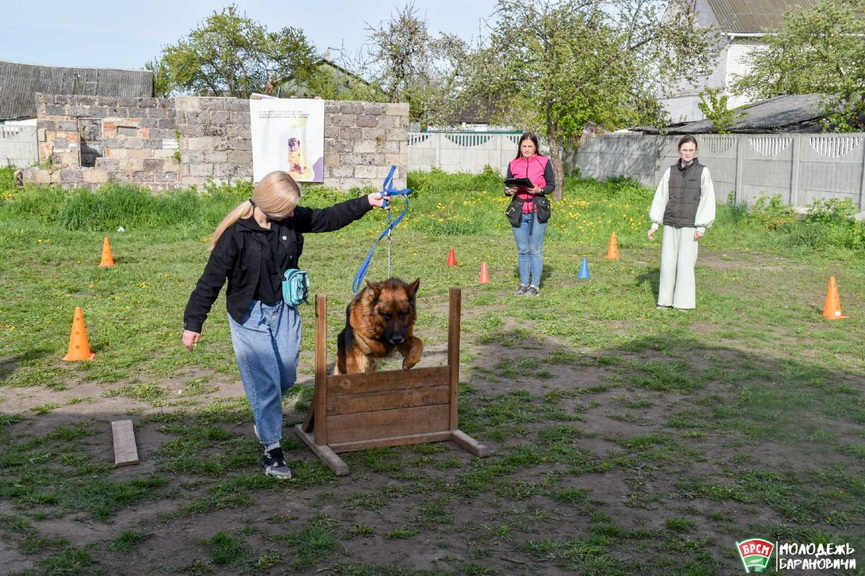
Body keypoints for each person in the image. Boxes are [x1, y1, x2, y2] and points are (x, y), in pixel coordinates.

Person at [182, 171, 385, 479]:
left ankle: (265, 412)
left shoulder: (288, 220)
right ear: (269, 205)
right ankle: (271, 449)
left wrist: (365, 203)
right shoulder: (236, 237)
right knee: (265, 384)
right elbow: (209, 283)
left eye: (293, 208)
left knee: (286, 376)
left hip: (285, 310)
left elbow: (327, 218)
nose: (293, 213)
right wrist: (193, 323)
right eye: (288, 208)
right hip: (249, 316)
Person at [647, 135, 716, 310]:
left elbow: (707, 199)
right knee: (667, 263)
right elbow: (661, 197)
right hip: (670, 223)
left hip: (690, 225)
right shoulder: (671, 171)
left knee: (685, 265)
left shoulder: (703, 171)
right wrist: (655, 223)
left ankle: (683, 303)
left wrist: (701, 226)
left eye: (691, 150)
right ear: (679, 150)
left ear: (696, 151)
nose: (687, 153)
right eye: (684, 150)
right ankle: (664, 301)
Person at [505, 132, 555, 296]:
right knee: (522, 249)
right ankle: (524, 284)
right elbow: (507, 186)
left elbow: (551, 185)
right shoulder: (513, 164)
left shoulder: (544, 162)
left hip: (537, 210)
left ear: (536, 147)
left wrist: (539, 190)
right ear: (520, 147)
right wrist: (509, 191)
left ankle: (535, 285)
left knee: (534, 249)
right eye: (524, 146)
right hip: (519, 210)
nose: (526, 149)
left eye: (530, 146)